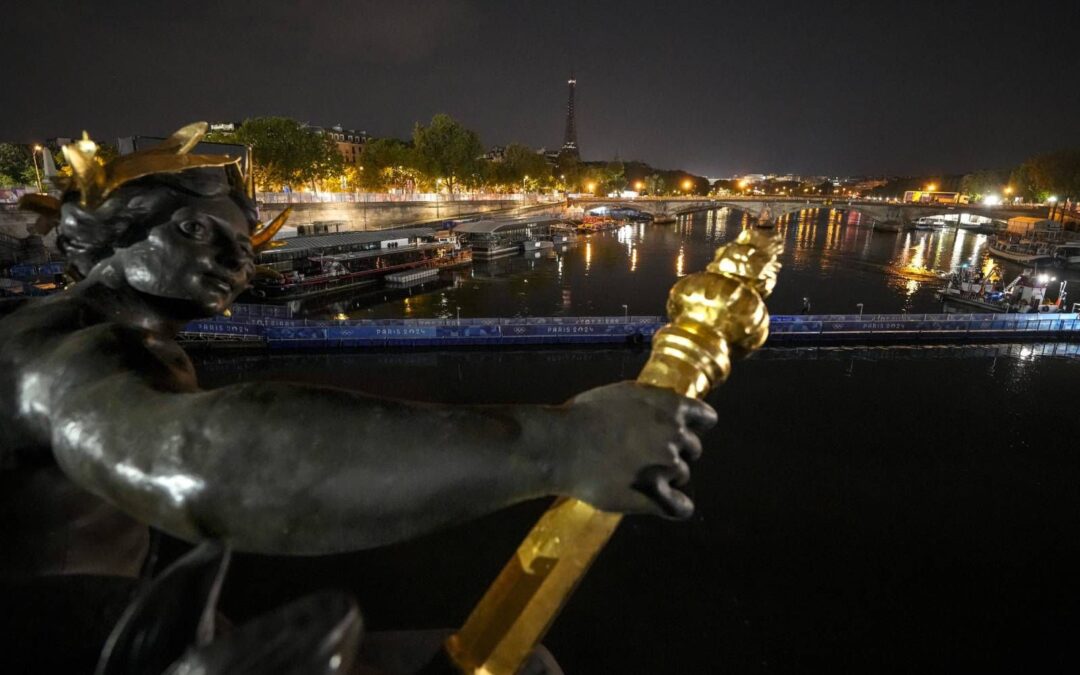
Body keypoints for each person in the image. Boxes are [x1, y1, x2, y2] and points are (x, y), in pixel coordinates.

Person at [0, 126, 715, 669]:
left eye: (245, 245)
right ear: (105, 230)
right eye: (195, 230)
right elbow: (198, 456)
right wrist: (560, 442)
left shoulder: (120, 339)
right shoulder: (67, 350)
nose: (234, 260)